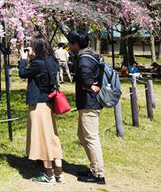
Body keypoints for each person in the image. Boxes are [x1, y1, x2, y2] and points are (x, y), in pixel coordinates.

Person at [19, 38, 63, 184]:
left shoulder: (38, 63)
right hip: (49, 103)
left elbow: (23, 73)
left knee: (43, 138)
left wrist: (23, 59)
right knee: (52, 135)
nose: (29, 50)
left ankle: (48, 174)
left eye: (31, 47)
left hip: (38, 104)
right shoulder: (52, 61)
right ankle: (58, 172)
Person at [67, 30, 105, 184]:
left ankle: (98, 174)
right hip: (88, 103)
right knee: (83, 136)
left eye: (70, 43)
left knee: (90, 137)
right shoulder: (90, 55)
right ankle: (93, 167)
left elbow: (86, 78)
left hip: (89, 104)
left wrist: (90, 86)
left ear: (76, 44)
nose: (69, 46)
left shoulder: (84, 58)